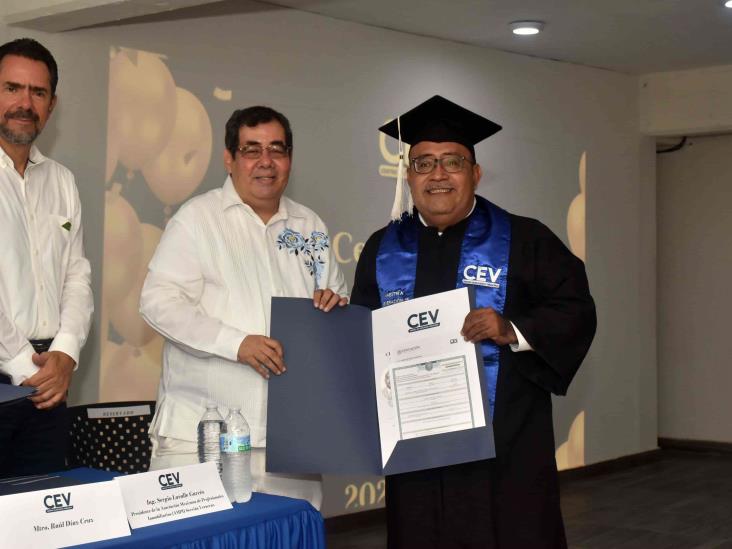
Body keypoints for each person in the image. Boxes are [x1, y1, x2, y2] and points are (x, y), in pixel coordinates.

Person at [351, 95, 596, 548]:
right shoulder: (382, 249)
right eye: (423, 163)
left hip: (505, 453)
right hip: (417, 453)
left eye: (452, 162)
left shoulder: (526, 238)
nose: (438, 174)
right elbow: (361, 334)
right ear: (408, 176)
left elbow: (575, 309)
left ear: (476, 174)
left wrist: (512, 329)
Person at [140, 106, 347, 508]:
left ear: (290, 158)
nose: (266, 162)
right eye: (252, 150)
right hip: (201, 440)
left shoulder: (310, 226)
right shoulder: (197, 219)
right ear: (229, 159)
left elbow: (334, 302)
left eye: (277, 149)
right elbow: (158, 303)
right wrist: (237, 344)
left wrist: (334, 306)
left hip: (291, 445)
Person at [0, 38, 93, 477]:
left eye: (37, 93)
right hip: (16, 374)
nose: (25, 103)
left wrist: (66, 352)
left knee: (43, 523)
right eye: (12, 88)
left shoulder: (62, 181)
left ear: (51, 105)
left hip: (49, 383)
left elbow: (76, 275)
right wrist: (23, 366)